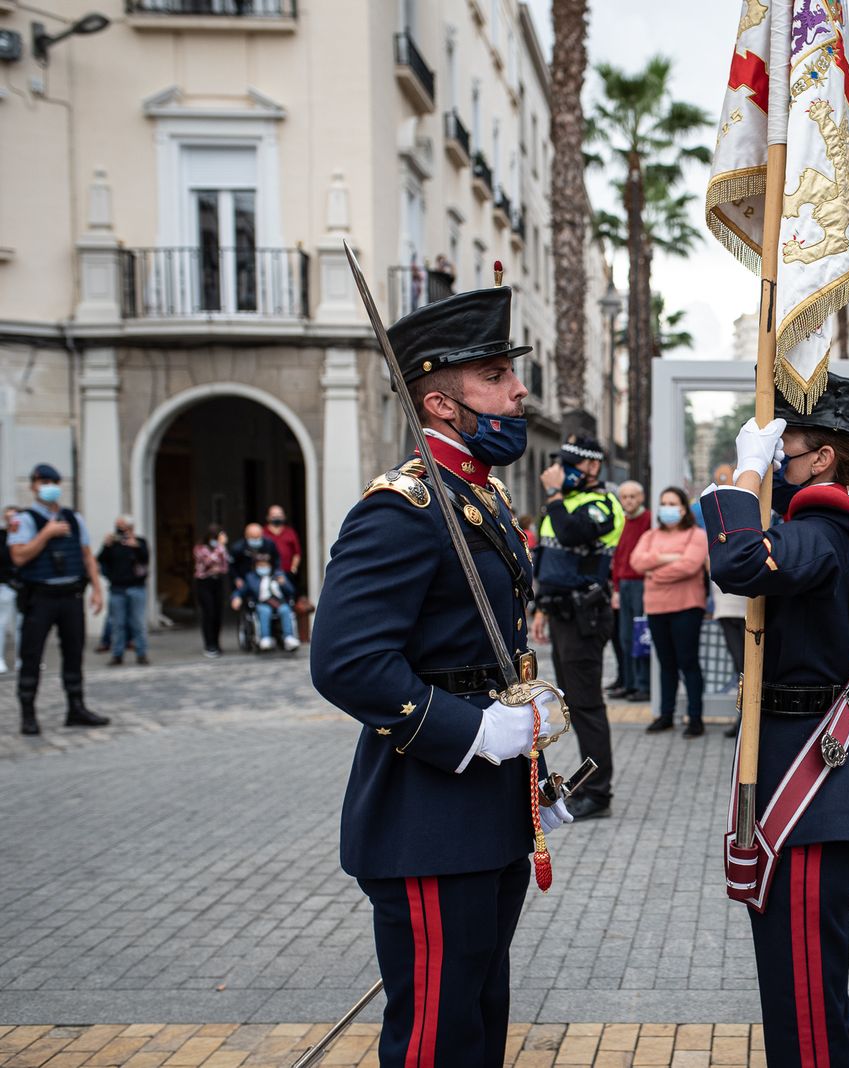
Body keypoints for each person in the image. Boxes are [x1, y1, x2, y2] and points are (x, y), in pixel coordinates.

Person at [311, 285, 572, 1067]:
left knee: (478, 1022)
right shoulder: (403, 509)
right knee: (435, 1039)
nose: (518, 391)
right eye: (495, 375)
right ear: (440, 402)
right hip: (427, 817)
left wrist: (527, 746)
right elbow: (347, 662)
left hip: (489, 811)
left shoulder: (476, 496)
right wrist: (476, 731)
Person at [701, 372, 849, 1068]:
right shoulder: (839, 524)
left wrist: (744, 474)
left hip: (813, 789)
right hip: (810, 773)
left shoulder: (825, 530)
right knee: (799, 992)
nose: (780, 459)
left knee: (806, 1002)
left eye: (788, 447)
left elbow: (737, 562)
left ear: (823, 459)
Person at [531, 434, 624, 822]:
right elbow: (547, 557)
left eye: (570, 464)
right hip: (561, 615)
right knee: (574, 704)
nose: (561, 471)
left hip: (586, 617)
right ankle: (588, 785)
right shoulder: (562, 504)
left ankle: (598, 793)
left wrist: (554, 496)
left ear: (592, 466)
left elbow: (572, 533)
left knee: (587, 705)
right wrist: (541, 608)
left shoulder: (604, 504)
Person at [10, 463, 108, 735]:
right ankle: (28, 714)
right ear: (33, 486)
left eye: (53, 482)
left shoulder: (73, 518)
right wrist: (46, 534)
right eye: (43, 482)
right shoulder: (24, 520)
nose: (49, 487)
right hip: (40, 597)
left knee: (74, 653)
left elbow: (87, 556)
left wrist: (97, 589)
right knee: (32, 654)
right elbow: (18, 556)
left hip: (71, 596)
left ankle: (76, 708)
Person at [631, 486, 710, 736]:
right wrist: (668, 557)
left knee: (688, 662)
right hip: (656, 608)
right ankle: (666, 715)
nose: (667, 508)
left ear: (684, 508)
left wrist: (654, 572)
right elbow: (637, 561)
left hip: (687, 607)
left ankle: (695, 718)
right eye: (663, 503)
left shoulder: (696, 535)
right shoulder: (651, 535)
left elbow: (689, 566)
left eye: (672, 503)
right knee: (666, 663)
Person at [608, 480, 652, 702]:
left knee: (640, 635)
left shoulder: (649, 520)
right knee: (625, 637)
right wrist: (616, 589)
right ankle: (628, 682)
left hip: (642, 583)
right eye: (624, 497)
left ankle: (643, 685)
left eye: (633, 496)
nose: (628, 501)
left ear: (641, 497)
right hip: (623, 584)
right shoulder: (621, 522)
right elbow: (617, 557)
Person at [97, 516, 151, 666]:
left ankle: (141, 653)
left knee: (138, 623)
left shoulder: (140, 542)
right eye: (118, 526)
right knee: (117, 624)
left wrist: (136, 546)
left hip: (136, 588)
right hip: (117, 589)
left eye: (123, 526)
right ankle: (117, 654)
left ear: (131, 528)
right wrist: (106, 545)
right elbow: (100, 560)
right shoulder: (113, 544)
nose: (120, 530)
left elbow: (146, 559)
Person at [232, 551, 301, 652]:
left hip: (279, 602)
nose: (263, 568)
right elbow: (241, 590)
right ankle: (265, 638)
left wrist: (284, 584)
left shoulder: (279, 575)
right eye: (260, 565)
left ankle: (289, 637)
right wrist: (236, 597)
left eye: (265, 565)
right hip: (262, 603)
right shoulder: (251, 578)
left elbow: (291, 591)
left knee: (285, 610)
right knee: (265, 611)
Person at [712, 578, 748, 735]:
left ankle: (745, 720)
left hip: (750, 609)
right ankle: (743, 719)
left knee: (747, 669)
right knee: (742, 670)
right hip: (726, 609)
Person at [193, 525, 231, 658]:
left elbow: (225, 566)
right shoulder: (200, 548)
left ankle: (216, 642)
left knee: (218, 613)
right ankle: (209, 644)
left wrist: (221, 551)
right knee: (209, 612)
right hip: (204, 583)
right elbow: (207, 562)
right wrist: (220, 547)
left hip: (217, 582)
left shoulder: (221, 549)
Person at [230, 522, 281, 595]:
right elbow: (232, 565)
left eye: (258, 537)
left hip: (267, 578)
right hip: (245, 579)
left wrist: (277, 573)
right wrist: (236, 578)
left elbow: (277, 559)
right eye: (253, 538)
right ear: (246, 536)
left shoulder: (269, 544)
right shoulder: (238, 548)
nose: (256, 540)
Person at [0, 506, 19, 673]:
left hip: (23, 585)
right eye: (8, 517)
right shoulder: (2, 537)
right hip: (5, 585)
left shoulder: (27, 535)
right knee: (2, 622)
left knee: (22, 624)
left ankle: (23, 659)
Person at [263, 504, 303, 582]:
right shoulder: (263, 532)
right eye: (274, 515)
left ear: (284, 517)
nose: (277, 518)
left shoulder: (290, 532)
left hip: (287, 572)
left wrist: (293, 568)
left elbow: (297, 553)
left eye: (279, 515)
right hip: (268, 572)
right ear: (268, 517)